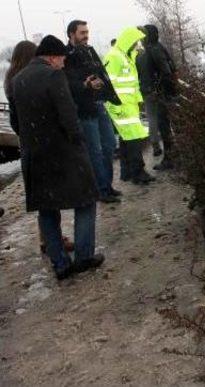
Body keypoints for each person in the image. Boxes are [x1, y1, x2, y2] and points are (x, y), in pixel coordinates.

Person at [12, 35, 104, 280]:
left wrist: (35, 140)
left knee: (47, 209)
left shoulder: (17, 80)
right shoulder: (53, 76)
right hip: (63, 153)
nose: (64, 63)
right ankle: (84, 258)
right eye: (62, 58)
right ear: (52, 56)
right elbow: (69, 116)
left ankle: (61, 265)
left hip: (35, 156)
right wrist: (78, 142)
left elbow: (15, 122)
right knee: (86, 200)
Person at [3, 40, 74, 254]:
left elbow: (15, 121)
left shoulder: (11, 81)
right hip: (45, 145)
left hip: (28, 147)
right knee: (51, 199)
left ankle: (48, 240)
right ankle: (53, 241)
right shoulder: (37, 79)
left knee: (42, 200)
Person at [65, 20, 123, 203]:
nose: (86, 35)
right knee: (95, 151)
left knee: (109, 146)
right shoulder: (66, 55)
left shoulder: (89, 50)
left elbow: (101, 71)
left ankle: (108, 185)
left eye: (87, 32)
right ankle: (102, 189)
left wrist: (108, 91)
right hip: (84, 109)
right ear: (71, 34)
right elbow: (68, 83)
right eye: (82, 32)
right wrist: (85, 84)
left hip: (99, 103)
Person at [104, 26, 155, 185]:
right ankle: (138, 172)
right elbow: (108, 83)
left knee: (128, 139)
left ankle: (128, 172)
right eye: (136, 42)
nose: (137, 45)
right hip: (121, 106)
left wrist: (138, 101)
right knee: (133, 139)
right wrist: (116, 106)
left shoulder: (126, 56)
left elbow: (132, 84)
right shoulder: (115, 57)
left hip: (128, 105)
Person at [136, 24, 178, 170]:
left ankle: (170, 159)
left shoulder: (154, 49)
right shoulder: (156, 48)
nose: (140, 39)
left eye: (142, 35)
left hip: (160, 96)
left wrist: (159, 91)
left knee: (165, 127)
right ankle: (172, 156)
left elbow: (166, 72)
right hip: (162, 95)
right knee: (166, 126)